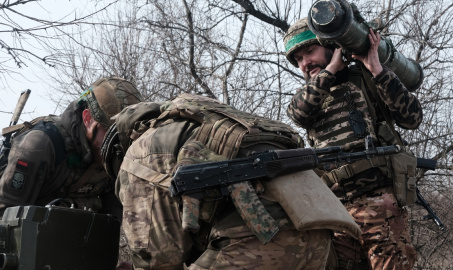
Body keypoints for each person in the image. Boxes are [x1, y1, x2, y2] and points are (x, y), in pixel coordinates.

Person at [102, 94, 362, 270]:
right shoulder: (209, 122)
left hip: (259, 245)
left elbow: (159, 258)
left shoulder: (140, 153)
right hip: (320, 243)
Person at [283, 18, 423, 269]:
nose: (305, 63)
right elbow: (299, 114)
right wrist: (330, 70)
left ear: (330, 47)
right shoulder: (309, 97)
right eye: (298, 60)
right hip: (334, 210)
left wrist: (378, 71)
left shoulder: (367, 78)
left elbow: (412, 118)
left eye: (309, 52)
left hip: (378, 203)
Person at [0, 76, 143, 218]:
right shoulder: (39, 145)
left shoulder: (116, 155)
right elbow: (6, 217)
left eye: (126, 135)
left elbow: (115, 221)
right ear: (88, 119)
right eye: (111, 132)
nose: (119, 144)